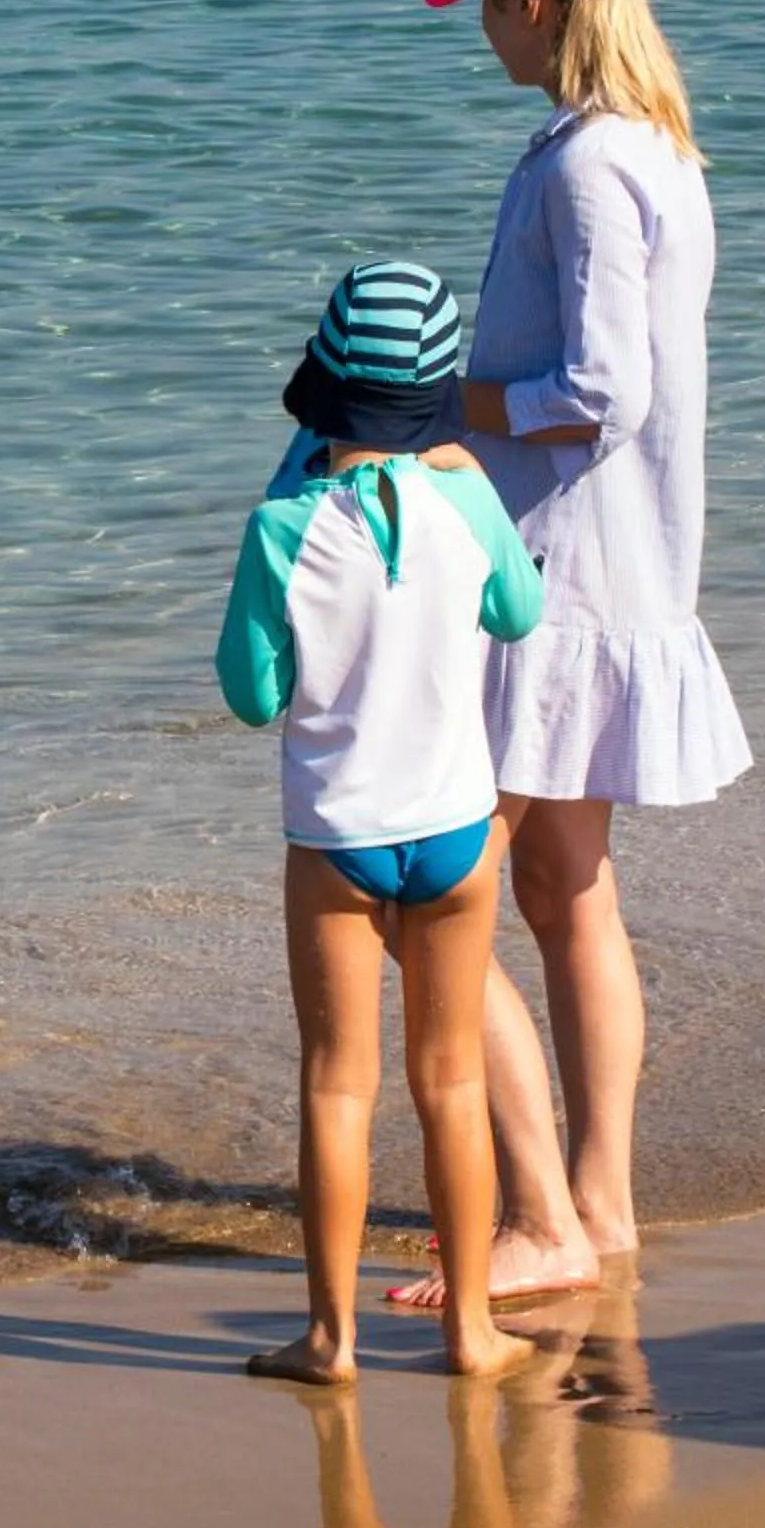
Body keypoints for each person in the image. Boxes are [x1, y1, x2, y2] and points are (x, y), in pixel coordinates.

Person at [394, 0, 751, 1311]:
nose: (481, 24)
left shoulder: (585, 166)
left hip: (554, 571)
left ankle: (543, 1216)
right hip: (623, 562)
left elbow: (599, 392)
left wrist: (440, 410)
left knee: (436, 888)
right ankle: (599, 1205)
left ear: (537, 6)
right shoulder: (661, 151)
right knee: (566, 887)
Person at [219, 261, 545, 1383]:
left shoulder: (282, 525)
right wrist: (469, 473)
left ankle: (331, 1338)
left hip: (338, 839)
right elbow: (519, 610)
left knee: (336, 1083)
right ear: (438, 393)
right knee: (451, 1081)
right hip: (456, 830)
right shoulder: (466, 501)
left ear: (321, 389)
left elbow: (252, 694)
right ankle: (472, 1331)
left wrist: (291, 486)